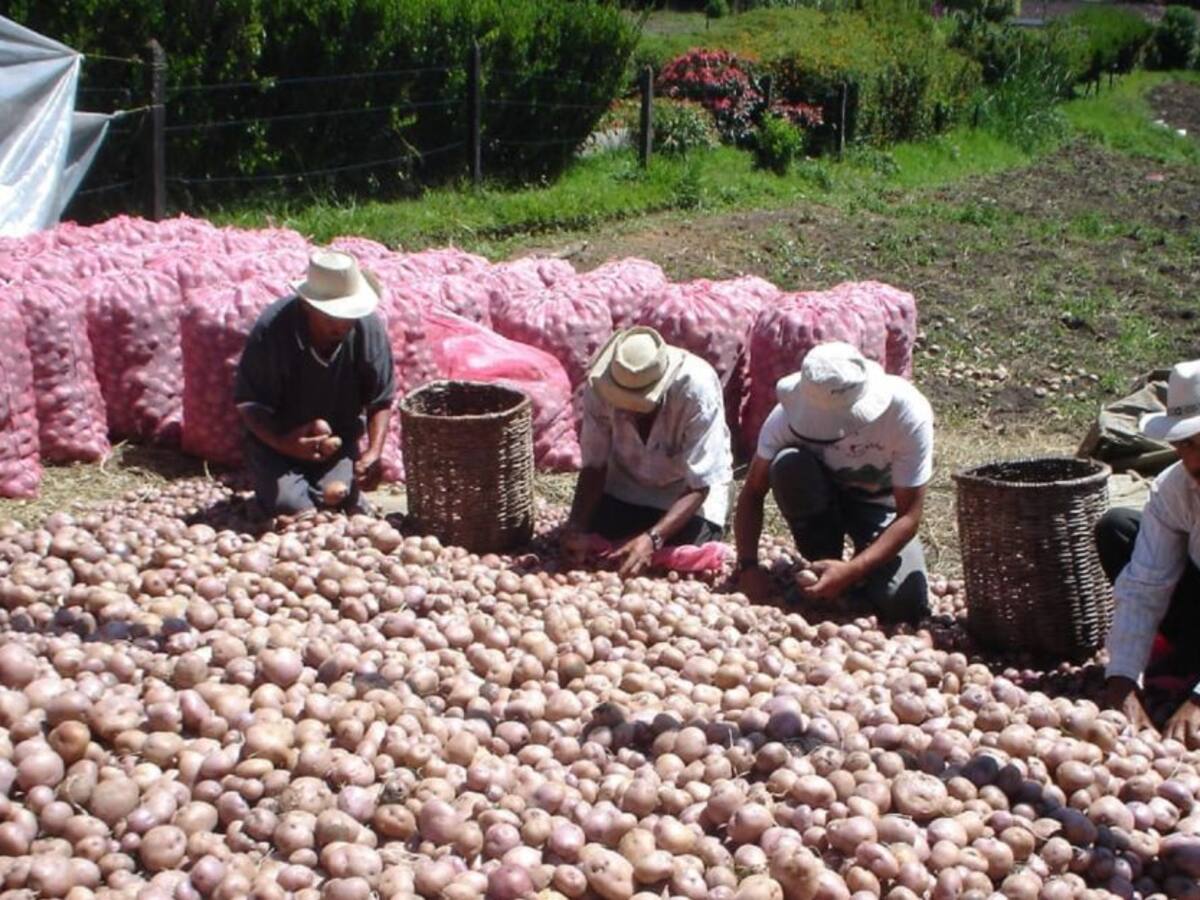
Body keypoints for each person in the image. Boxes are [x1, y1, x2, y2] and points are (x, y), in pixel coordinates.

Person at [733, 341, 933, 623]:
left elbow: (909, 517)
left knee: (903, 603)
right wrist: (748, 567)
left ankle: (853, 570)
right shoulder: (784, 419)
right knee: (788, 464)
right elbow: (753, 491)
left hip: (881, 509)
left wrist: (854, 569)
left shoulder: (906, 412)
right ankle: (825, 558)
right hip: (821, 501)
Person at [234, 249, 395, 520]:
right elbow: (249, 405)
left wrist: (373, 453)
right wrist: (286, 443)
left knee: (338, 494)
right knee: (291, 506)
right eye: (331, 317)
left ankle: (328, 492)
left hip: (338, 442)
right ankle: (271, 498)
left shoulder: (368, 328)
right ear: (307, 306)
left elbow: (381, 399)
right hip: (275, 441)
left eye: (348, 317)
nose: (341, 326)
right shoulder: (273, 329)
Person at [561, 326, 734, 577]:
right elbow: (594, 466)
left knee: (690, 546)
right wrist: (576, 526)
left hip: (685, 490)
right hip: (627, 483)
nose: (627, 410)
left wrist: (653, 538)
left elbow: (699, 484)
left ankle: (652, 537)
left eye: (637, 404)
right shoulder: (601, 386)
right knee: (595, 538)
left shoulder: (697, 389)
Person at [1098, 358, 1200, 749]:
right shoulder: (1176, 487)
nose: (1192, 460)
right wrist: (1122, 680)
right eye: (1185, 444)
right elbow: (1144, 584)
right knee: (1119, 529)